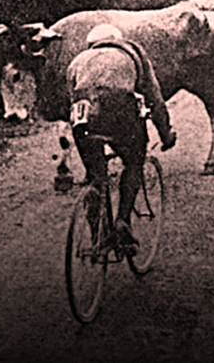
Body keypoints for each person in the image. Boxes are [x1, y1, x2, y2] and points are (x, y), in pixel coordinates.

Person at [67, 24, 177, 254]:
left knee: (96, 177)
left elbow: (71, 99)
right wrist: (166, 134)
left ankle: (98, 236)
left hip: (82, 114)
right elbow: (155, 98)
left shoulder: (78, 61)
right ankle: (122, 223)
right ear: (117, 40)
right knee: (134, 161)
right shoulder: (132, 53)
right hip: (117, 108)